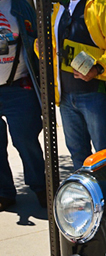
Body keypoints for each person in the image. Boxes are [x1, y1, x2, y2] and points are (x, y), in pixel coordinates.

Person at [41, 0, 106, 170]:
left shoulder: (102, 6)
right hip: (66, 96)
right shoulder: (58, 9)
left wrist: (98, 68)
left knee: (104, 153)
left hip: (96, 94)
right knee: (77, 153)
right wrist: (39, 47)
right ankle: (84, 195)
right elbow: (52, 49)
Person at [0, 0, 45, 210]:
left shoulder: (21, 5)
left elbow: (39, 42)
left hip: (19, 85)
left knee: (25, 139)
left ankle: (41, 187)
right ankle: (4, 192)